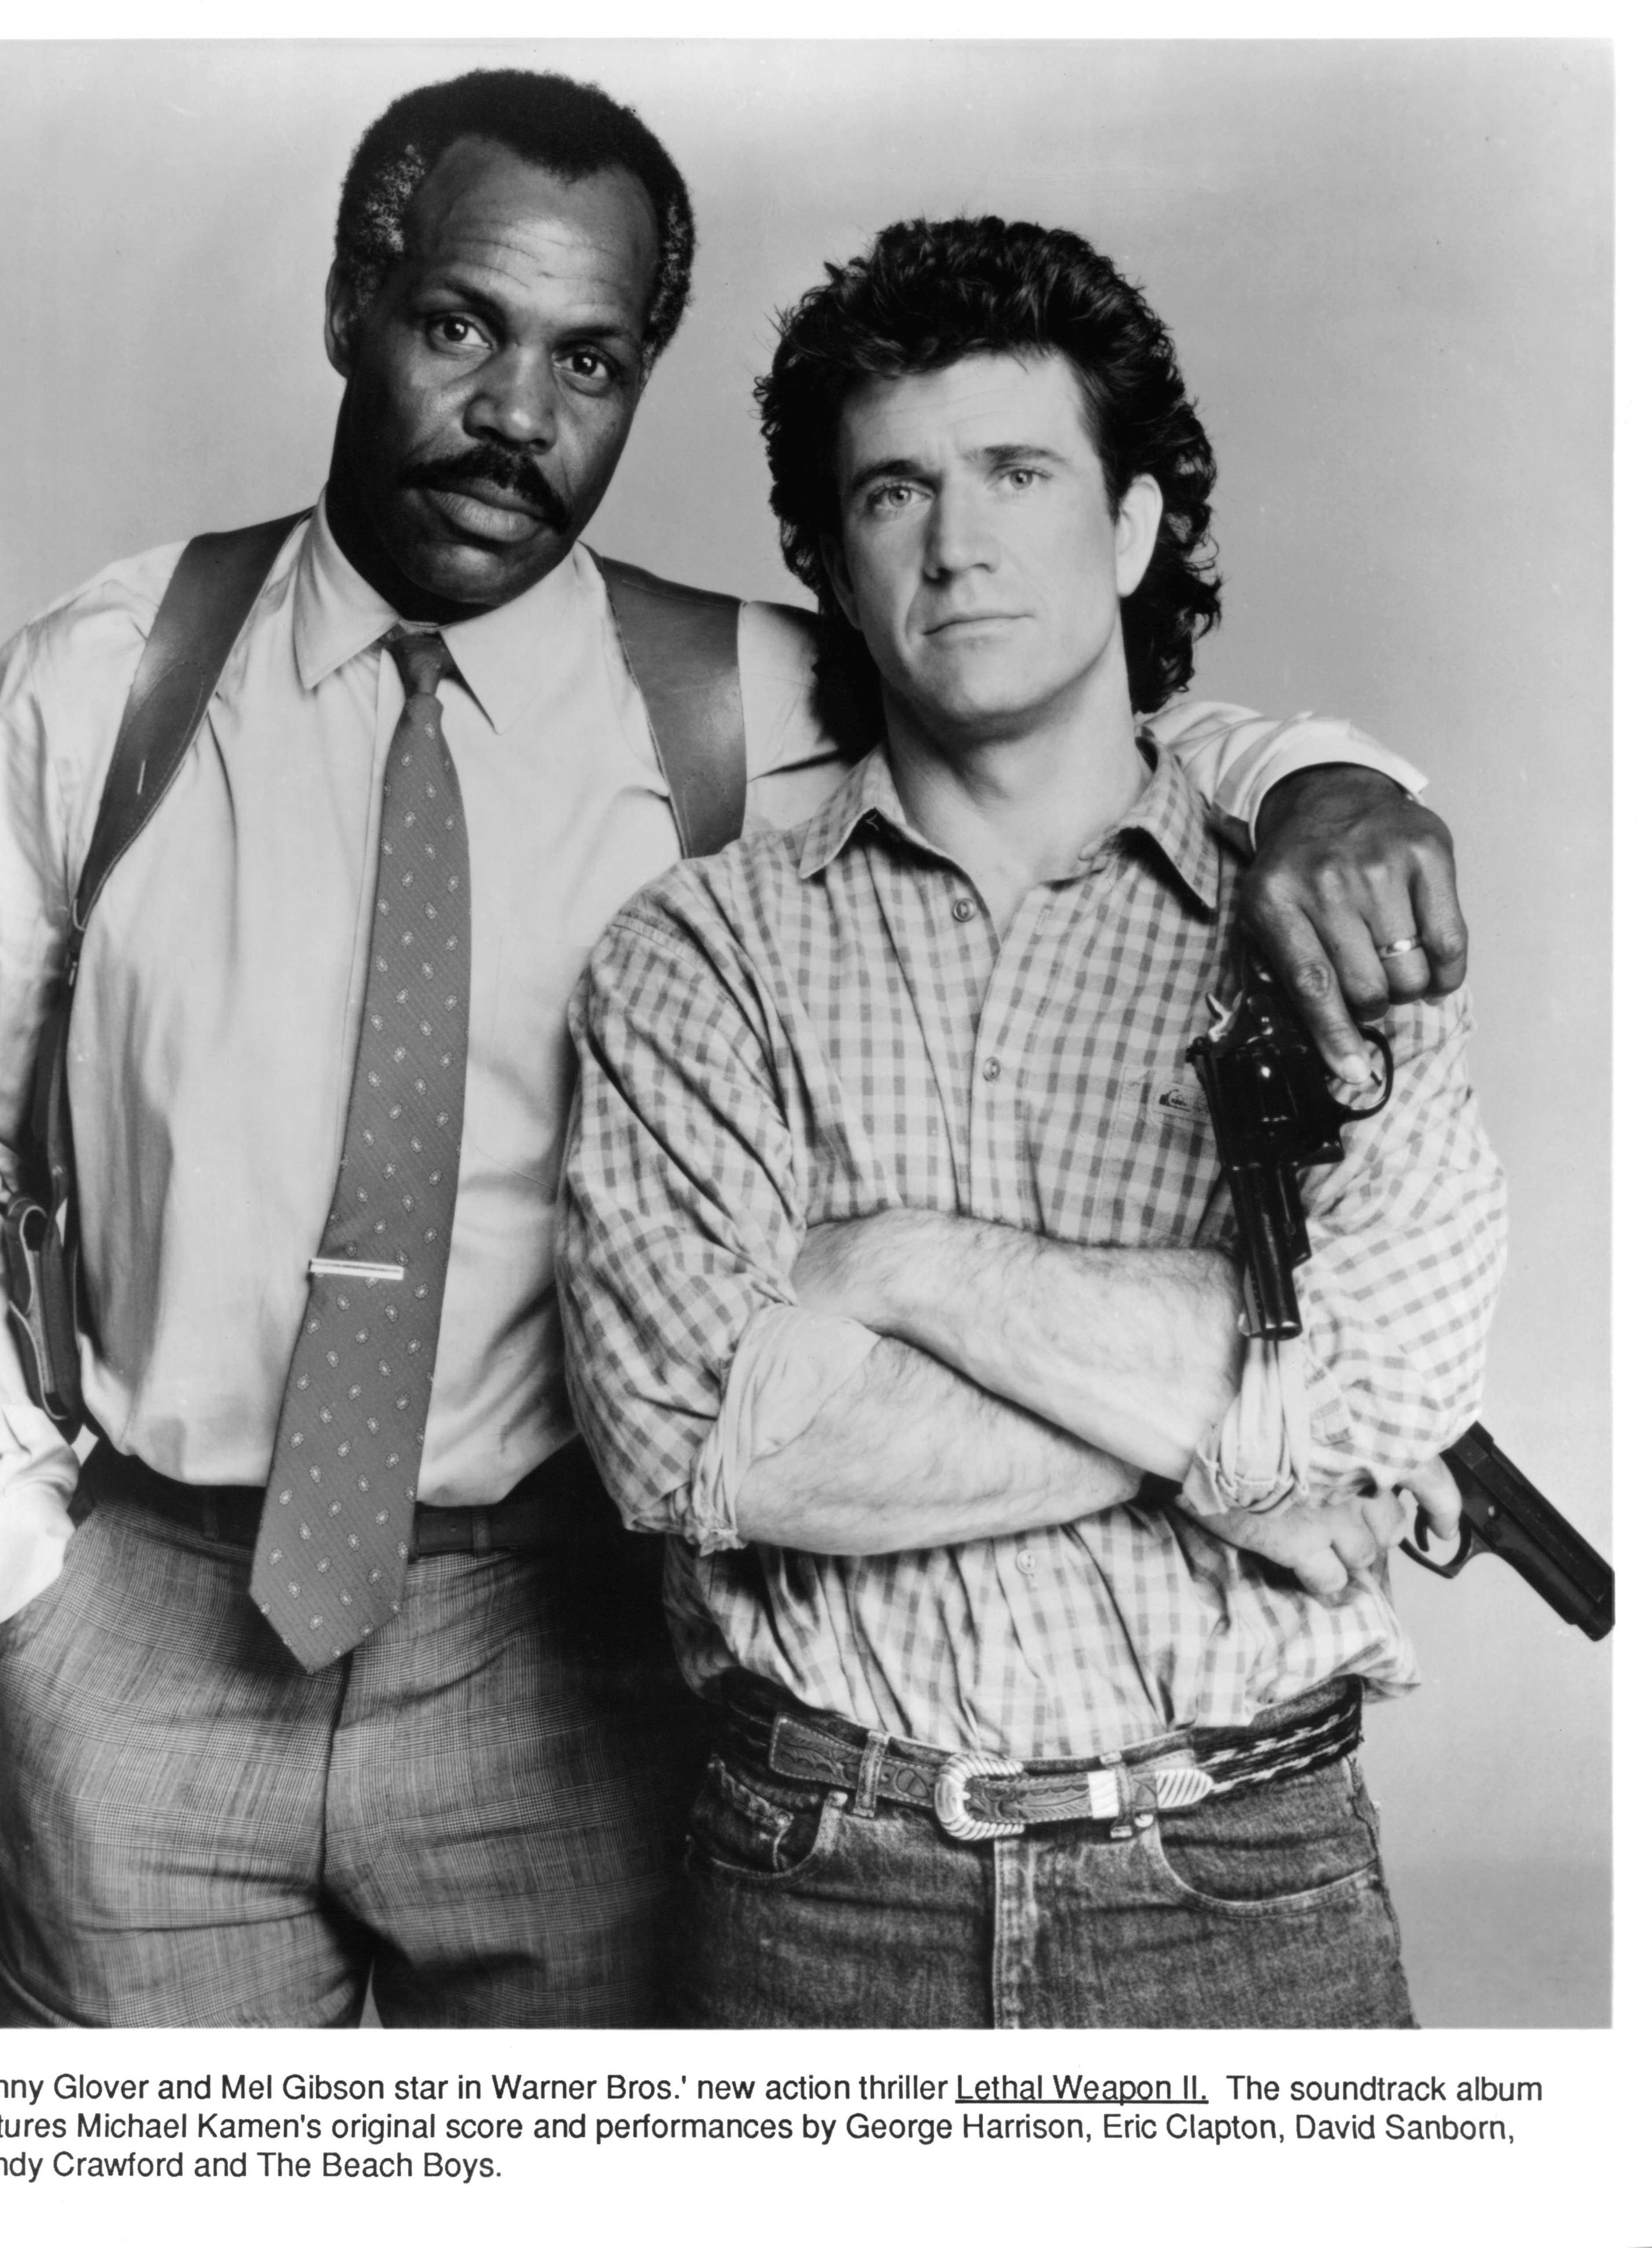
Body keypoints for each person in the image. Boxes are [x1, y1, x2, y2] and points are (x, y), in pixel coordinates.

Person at [0, 69, 1465, 2031]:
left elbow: (1054, 701)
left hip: (567, 1650)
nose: (515, 415)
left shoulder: (733, 694)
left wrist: (1325, 780)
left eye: (591, 359)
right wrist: (13, 1560)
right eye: (461, 326)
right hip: (153, 1620)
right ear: (347, 309)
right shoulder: (101, 681)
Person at [559, 214, 1506, 2029]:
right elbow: (713, 1447)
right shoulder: (700, 952)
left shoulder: (1319, 897)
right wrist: (1248, 1441)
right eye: (894, 490)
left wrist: (896, 1268)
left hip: (1241, 1875)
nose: (960, 538)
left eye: (1015, 471)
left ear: (1133, 523)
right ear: (831, 561)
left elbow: (1390, 1382)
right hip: (819, 1876)